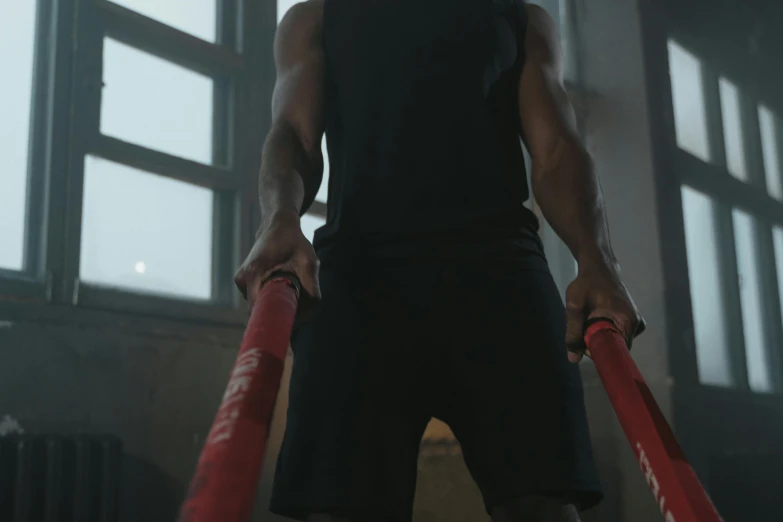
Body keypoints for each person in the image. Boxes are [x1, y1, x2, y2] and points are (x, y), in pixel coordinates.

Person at [235, 0, 645, 520]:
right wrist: (279, 220)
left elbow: (557, 149)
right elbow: (293, 133)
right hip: (361, 280)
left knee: (543, 504)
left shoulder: (520, 18)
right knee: (342, 509)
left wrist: (597, 259)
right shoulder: (315, 17)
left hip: (500, 277)